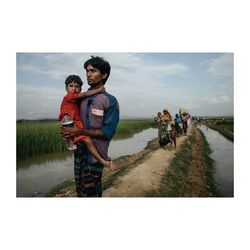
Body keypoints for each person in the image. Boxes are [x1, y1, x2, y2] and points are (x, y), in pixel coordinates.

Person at [60, 56, 119, 197]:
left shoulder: (109, 101)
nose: (88, 74)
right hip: (79, 153)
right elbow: (71, 119)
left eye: (93, 71)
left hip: (96, 156)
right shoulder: (80, 99)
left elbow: (107, 132)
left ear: (104, 75)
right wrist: (67, 132)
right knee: (81, 191)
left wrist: (80, 130)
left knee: (92, 191)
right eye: (87, 71)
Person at [58, 75, 112, 170]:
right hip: (73, 124)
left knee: (88, 142)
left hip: (74, 123)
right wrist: (99, 90)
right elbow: (83, 94)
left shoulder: (77, 100)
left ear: (80, 88)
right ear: (66, 88)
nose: (74, 89)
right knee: (88, 141)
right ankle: (102, 160)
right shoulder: (70, 96)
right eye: (71, 86)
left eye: (77, 86)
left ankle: (102, 158)